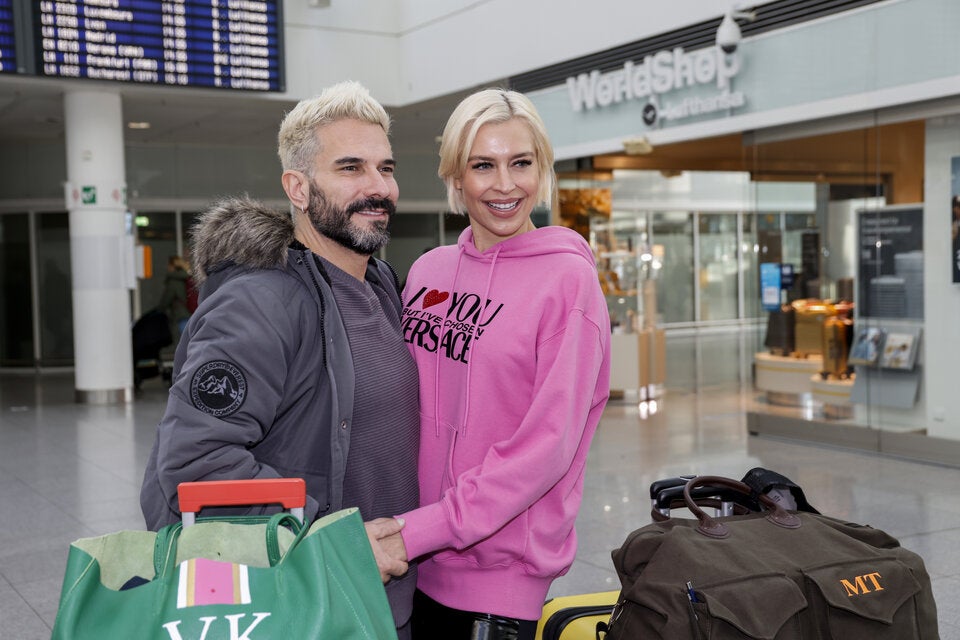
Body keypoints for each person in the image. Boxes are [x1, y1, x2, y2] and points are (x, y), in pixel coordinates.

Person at [139, 81, 420, 637]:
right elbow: (194, 464)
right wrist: (329, 537)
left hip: (386, 602)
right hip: (307, 604)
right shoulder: (260, 301)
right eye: (350, 168)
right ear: (297, 186)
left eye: (385, 168)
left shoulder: (384, 283)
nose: (377, 187)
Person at [390, 89, 612, 639]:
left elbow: (547, 445)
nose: (506, 185)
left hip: (498, 582)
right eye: (483, 165)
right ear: (455, 177)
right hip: (409, 564)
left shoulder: (568, 282)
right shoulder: (427, 272)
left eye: (521, 163)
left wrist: (426, 527)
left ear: (543, 168)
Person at [155, 255, 191, 339]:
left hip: (181, 315)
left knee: (184, 342)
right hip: (192, 313)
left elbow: (167, 298)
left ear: (172, 266)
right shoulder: (188, 278)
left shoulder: (174, 280)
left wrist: (159, 310)